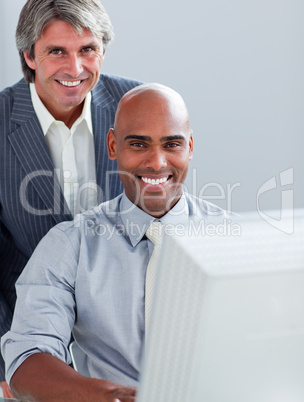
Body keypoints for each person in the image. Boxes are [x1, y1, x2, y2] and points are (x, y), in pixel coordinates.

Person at [1, 83, 234, 401]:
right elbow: (27, 357)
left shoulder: (236, 241)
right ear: (112, 146)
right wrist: (108, 395)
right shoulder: (71, 245)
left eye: (172, 145)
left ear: (190, 146)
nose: (156, 162)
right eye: (138, 144)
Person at [0, 0, 141, 394]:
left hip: (125, 347)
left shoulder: (135, 106)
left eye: (87, 50)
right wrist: (8, 365)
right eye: (57, 51)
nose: (75, 69)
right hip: (26, 343)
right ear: (29, 56)